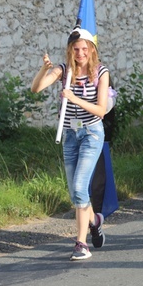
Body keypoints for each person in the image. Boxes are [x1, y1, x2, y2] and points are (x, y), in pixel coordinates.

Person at [31, 28, 109, 261]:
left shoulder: (100, 72)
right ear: (70, 50)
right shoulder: (64, 71)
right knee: (77, 195)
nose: (81, 53)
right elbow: (36, 88)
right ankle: (94, 220)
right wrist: (45, 69)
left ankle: (81, 243)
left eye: (85, 48)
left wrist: (75, 98)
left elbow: (101, 110)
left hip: (91, 134)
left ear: (91, 50)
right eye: (76, 49)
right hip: (70, 136)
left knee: (78, 189)